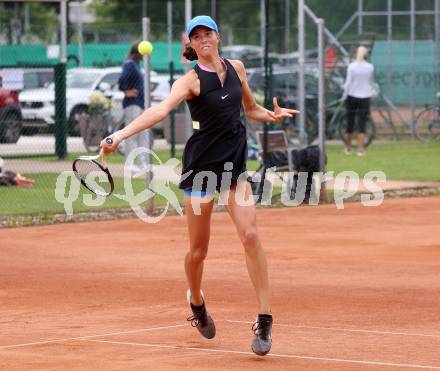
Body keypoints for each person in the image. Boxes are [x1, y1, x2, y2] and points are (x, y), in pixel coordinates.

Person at [100, 15, 298, 356]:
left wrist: (272, 115)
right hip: (201, 168)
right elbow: (159, 110)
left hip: (234, 165)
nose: (204, 39)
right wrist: (118, 135)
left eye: (208, 33)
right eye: (197, 36)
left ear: (218, 37)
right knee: (198, 251)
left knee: (251, 236)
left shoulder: (236, 68)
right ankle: (196, 301)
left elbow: (250, 109)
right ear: (190, 45)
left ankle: (264, 319)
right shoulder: (190, 81)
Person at [118, 41, 151, 174]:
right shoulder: (129, 64)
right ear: (138, 52)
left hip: (140, 103)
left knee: (143, 133)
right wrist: (126, 91)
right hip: (132, 104)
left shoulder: (136, 65)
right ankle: (129, 164)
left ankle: (143, 162)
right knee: (131, 134)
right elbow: (121, 80)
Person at [342, 45, 376, 157]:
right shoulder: (370, 67)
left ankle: (348, 147)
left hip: (352, 96)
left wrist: (344, 96)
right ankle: (361, 149)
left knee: (350, 122)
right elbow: (370, 82)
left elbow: (348, 83)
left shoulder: (352, 67)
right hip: (365, 97)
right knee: (362, 123)